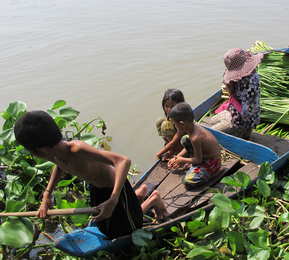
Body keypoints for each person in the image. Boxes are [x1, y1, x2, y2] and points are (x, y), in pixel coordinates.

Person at [14, 110, 168, 239]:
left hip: (115, 189)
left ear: (40, 150)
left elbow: (123, 161)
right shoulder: (55, 153)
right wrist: (47, 194)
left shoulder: (76, 149)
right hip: (96, 188)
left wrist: (113, 201)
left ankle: (153, 200)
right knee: (105, 226)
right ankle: (140, 193)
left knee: (129, 228)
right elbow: (59, 166)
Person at [202, 48, 262, 140]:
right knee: (207, 122)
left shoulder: (247, 84)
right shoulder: (251, 76)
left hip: (238, 122)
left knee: (206, 134)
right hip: (236, 114)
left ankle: (239, 133)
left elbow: (246, 114)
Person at [167, 102, 221, 187]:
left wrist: (182, 160)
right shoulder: (193, 128)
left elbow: (198, 160)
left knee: (187, 180)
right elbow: (189, 148)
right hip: (205, 156)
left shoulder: (195, 137)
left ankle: (209, 174)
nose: (175, 126)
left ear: (181, 124)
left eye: (175, 124)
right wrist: (177, 157)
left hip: (213, 163)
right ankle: (191, 165)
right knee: (185, 139)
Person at [155, 89, 185, 161]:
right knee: (160, 121)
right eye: (166, 106)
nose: (169, 109)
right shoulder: (171, 117)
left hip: (184, 142)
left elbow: (177, 137)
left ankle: (177, 151)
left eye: (172, 106)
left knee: (166, 125)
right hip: (173, 142)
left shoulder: (182, 120)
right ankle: (172, 150)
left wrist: (159, 153)